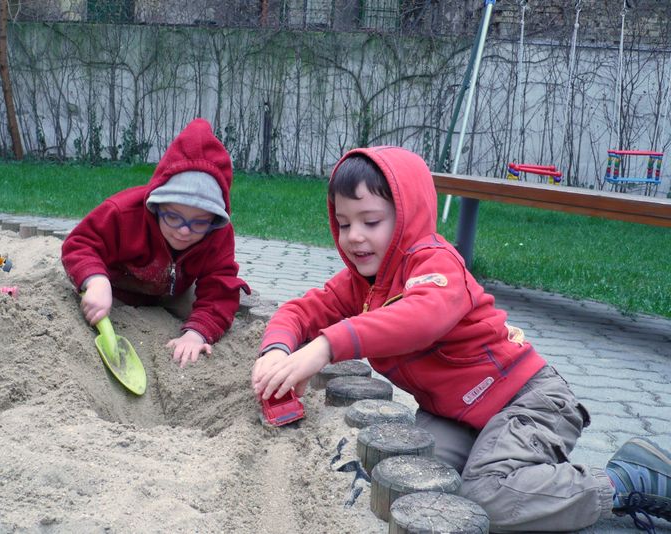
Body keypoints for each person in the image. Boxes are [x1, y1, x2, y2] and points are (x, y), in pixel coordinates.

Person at [251, 147, 671, 532]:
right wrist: (276, 350)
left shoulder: (438, 265)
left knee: (487, 496)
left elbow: (420, 318)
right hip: (457, 416)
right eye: (344, 224)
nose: (354, 236)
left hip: (527, 401)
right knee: (411, 473)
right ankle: (514, 471)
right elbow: (300, 311)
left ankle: (624, 481)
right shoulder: (361, 283)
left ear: (408, 216)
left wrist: (325, 346)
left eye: (371, 221)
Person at [62, 118, 249, 368]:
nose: (184, 231)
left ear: (215, 220)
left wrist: (197, 333)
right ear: (156, 205)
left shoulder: (218, 233)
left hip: (171, 292)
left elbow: (220, 286)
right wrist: (96, 280)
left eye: (199, 222)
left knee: (214, 308)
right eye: (173, 217)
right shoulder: (123, 213)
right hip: (116, 289)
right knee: (86, 284)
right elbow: (80, 243)